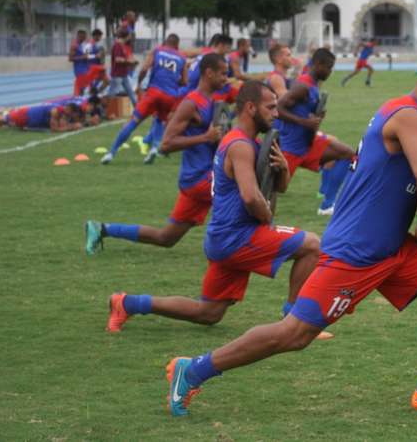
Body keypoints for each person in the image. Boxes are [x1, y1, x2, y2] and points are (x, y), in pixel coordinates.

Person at [163, 51, 417, 417]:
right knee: (293, 334)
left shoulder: (407, 113)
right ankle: (194, 369)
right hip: (357, 250)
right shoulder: (408, 115)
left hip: (394, 245)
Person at [104, 81, 326, 336]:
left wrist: (283, 169)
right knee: (312, 245)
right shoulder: (241, 145)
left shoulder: (247, 142)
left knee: (208, 313)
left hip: (223, 237)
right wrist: (267, 219)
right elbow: (251, 198)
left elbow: (279, 189)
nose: (276, 113)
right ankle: (293, 321)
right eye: (271, 107)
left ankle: (126, 303)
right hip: (237, 237)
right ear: (251, 108)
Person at [85, 53, 226, 254]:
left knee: (166, 238)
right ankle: (252, 246)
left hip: (203, 176)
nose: (225, 78)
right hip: (198, 178)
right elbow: (165, 145)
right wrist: (205, 137)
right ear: (209, 73)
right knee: (239, 190)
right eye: (223, 73)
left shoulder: (212, 101)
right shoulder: (191, 103)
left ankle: (102, 229)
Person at [277, 48, 355, 215]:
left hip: (307, 144)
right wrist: (303, 121)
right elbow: (278, 109)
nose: (330, 72)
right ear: (318, 65)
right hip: (291, 148)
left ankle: (327, 205)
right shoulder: (302, 86)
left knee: (347, 153)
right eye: (329, 67)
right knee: (273, 189)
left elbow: (306, 115)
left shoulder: (313, 86)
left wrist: (317, 117)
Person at [100, 34, 188, 165]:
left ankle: (111, 153)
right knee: (160, 120)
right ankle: (153, 149)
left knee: (133, 122)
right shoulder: (182, 57)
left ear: (165, 43)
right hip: (169, 96)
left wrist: (139, 84)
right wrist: (173, 80)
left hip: (153, 92)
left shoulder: (157, 50)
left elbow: (144, 69)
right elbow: (185, 81)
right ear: (177, 45)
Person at [0, 102, 82, 132]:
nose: (72, 117)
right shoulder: (56, 111)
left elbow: (61, 124)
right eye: (73, 114)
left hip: (29, 117)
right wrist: (71, 127)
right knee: (5, 119)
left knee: (6, 121)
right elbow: (54, 130)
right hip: (26, 116)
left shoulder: (61, 112)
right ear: (69, 109)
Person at [106, 28, 138, 108]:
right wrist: (129, 62)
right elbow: (118, 59)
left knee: (130, 92)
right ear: (126, 36)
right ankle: (106, 109)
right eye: (129, 36)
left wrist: (131, 61)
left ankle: (138, 108)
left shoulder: (122, 46)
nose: (130, 38)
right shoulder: (117, 45)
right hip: (117, 74)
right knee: (112, 93)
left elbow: (124, 58)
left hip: (123, 74)